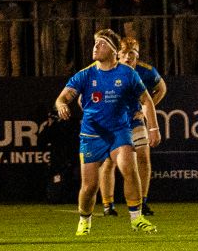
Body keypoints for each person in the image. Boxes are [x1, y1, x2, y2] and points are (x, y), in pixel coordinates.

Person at [53, 28, 159, 237]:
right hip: (93, 135)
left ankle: (137, 218)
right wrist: (62, 105)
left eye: (100, 44)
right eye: (95, 44)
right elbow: (62, 98)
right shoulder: (86, 74)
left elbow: (146, 99)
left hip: (119, 131)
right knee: (89, 186)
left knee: (129, 167)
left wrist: (153, 127)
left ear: (112, 50)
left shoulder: (127, 73)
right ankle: (84, 219)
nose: (95, 47)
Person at [96, 33, 166, 219]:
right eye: (125, 53)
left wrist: (144, 112)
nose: (128, 57)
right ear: (118, 54)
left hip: (134, 121)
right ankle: (107, 204)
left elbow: (161, 88)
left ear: (137, 55)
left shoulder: (145, 71)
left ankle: (142, 201)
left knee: (143, 157)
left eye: (132, 54)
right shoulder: (104, 69)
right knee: (109, 161)